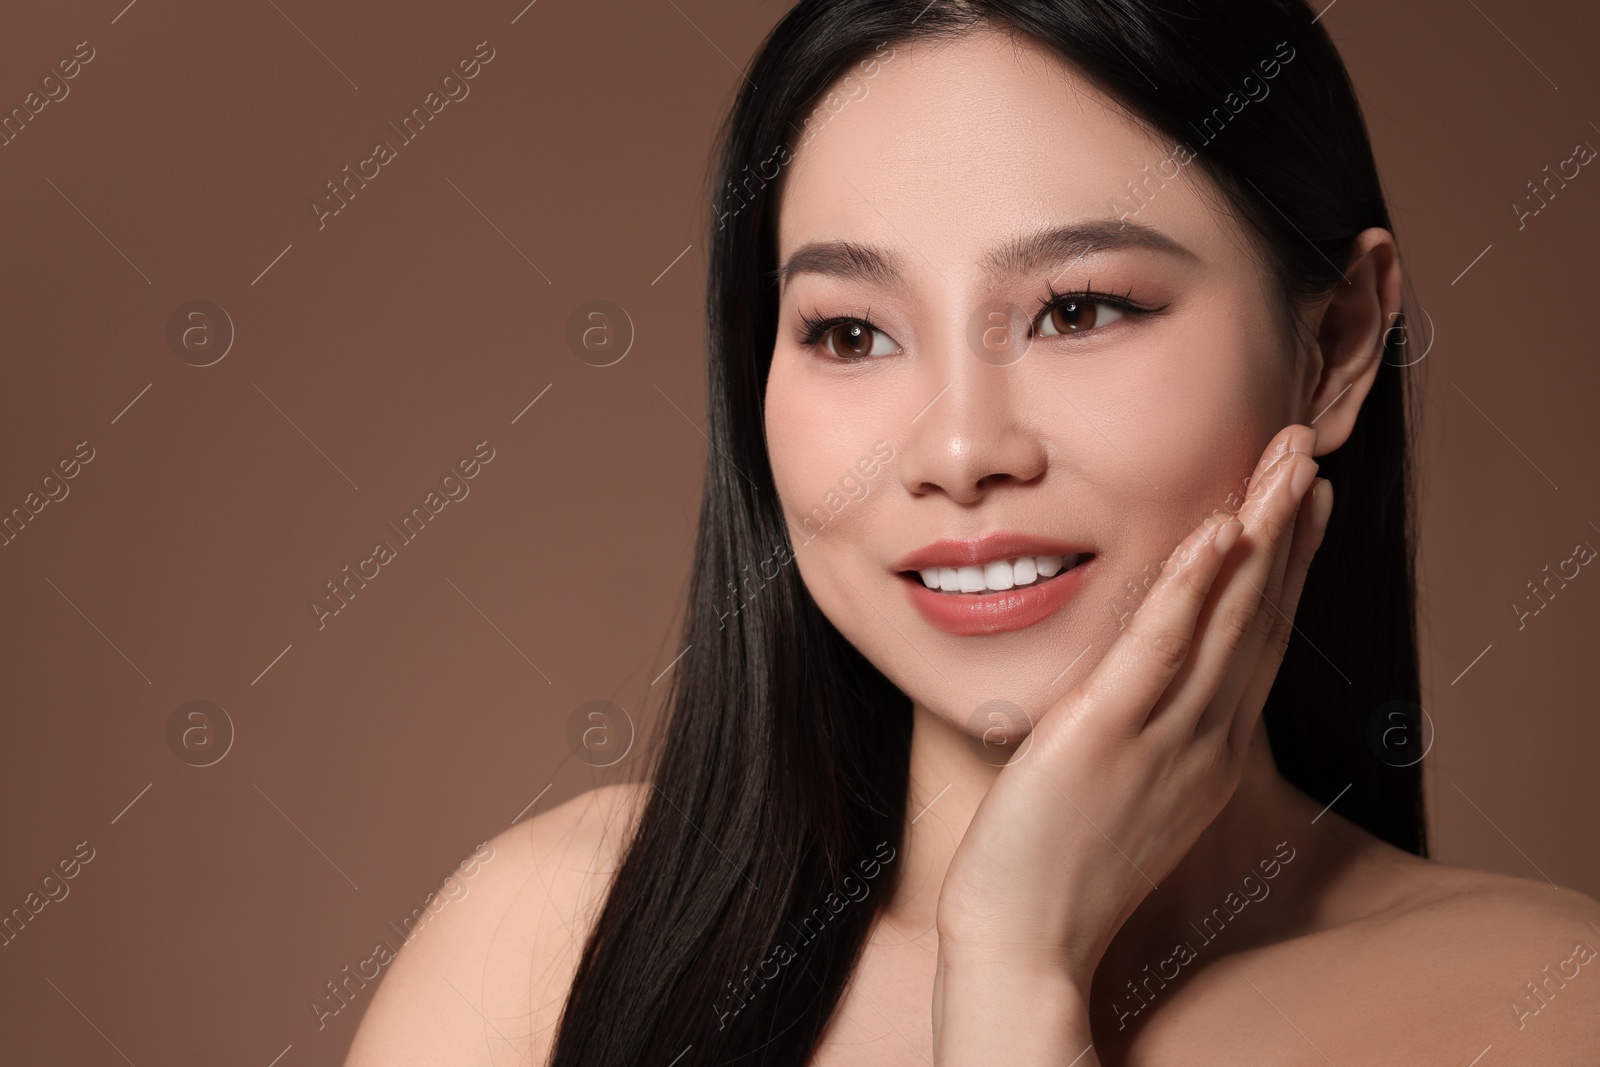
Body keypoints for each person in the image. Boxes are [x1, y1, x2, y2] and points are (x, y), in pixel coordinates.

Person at [346, 1, 1600, 1063]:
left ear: (1332, 347)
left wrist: (1016, 968)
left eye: (1079, 308)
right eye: (849, 333)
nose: (955, 452)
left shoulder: (1544, 1004)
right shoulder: (549, 945)